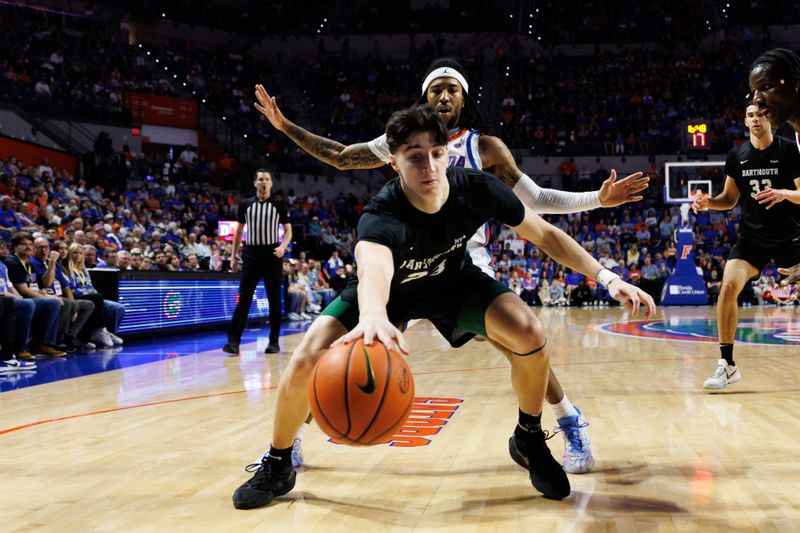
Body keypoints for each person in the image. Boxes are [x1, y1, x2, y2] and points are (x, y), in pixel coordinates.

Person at [231, 104, 656, 510]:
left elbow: (545, 235)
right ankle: (279, 461)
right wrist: (375, 315)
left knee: (530, 334)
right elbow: (373, 265)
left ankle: (528, 437)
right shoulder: (382, 212)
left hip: (453, 283)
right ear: (393, 162)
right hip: (392, 294)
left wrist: (609, 278)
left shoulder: (477, 188)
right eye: (415, 156)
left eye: (437, 153)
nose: (429, 166)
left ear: (449, 153)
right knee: (307, 356)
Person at [692, 104, 800, 390]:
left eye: (761, 114)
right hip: (752, 238)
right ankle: (726, 365)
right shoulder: (737, 156)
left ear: (771, 118)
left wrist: (784, 193)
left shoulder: (789, 150)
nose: (755, 119)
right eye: (751, 114)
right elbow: (729, 199)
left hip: (792, 235)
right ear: (745, 120)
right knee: (728, 288)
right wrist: (708, 203)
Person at [223, 169, 292, 356]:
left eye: (267, 179)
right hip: (251, 254)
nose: (264, 182)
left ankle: (274, 341)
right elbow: (238, 232)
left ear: (271, 183)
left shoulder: (279, 204)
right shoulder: (245, 205)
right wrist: (233, 256)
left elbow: (288, 231)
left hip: (272, 254)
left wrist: (282, 247)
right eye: (260, 179)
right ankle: (233, 341)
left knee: (274, 300)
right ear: (255, 183)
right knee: (244, 298)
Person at [748, 48, 800, 285]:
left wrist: (784, 194)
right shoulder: (797, 137)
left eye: (766, 86)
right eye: (753, 91)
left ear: (795, 84)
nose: (756, 99)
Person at [5, 233, 66, 357]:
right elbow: (24, 290)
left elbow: (40, 287)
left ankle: (45, 344)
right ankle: (21, 346)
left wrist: (46, 295)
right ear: (15, 247)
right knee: (48, 303)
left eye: (30, 244)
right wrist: (47, 297)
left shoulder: (28, 263)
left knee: (55, 302)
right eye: (24, 244)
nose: (28, 247)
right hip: (19, 298)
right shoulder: (13, 262)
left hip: (29, 297)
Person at [30, 237, 95, 351]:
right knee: (67, 304)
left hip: (59, 295)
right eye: (40, 247)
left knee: (88, 304)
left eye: (45, 247)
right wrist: (52, 262)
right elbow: (46, 283)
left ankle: (71, 336)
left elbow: (66, 286)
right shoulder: (34, 262)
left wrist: (73, 304)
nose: (43, 250)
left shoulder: (57, 265)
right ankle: (57, 339)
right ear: (33, 249)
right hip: (46, 296)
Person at [0, 257, 38, 371]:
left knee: (15, 303)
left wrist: (17, 297)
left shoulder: (2, 265)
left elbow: (10, 286)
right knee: (6, 302)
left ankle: (11, 353)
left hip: (4, 298)